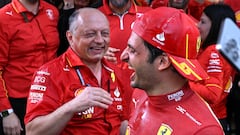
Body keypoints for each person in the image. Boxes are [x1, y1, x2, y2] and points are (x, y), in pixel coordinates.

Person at [24, 8, 131, 135]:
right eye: (90, 34)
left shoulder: (116, 72)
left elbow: (123, 123)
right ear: (70, 37)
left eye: (105, 34)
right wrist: (72, 107)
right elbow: (33, 131)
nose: (99, 40)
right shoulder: (50, 73)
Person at [120, 6, 224, 135]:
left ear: (162, 62)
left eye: (132, 50)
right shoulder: (140, 93)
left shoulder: (203, 130)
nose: (123, 56)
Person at [0, 0, 59, 134]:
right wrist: (6, 112)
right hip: (18, 101)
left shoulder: (52, 11)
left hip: (51, 96)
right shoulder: (3, 18)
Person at [189, 3, 236, 135]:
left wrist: (183, 84)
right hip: (215, 119)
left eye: (203, 22)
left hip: (208, 121)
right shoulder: (226, 50)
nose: (198, 25)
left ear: (216, 25)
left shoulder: (213, 52)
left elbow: (213, 94)